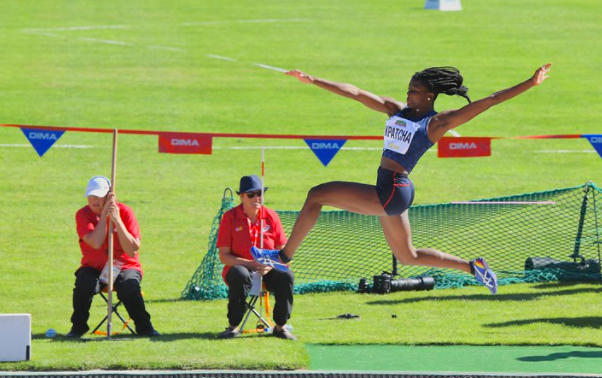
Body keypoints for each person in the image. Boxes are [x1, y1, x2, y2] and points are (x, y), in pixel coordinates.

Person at [252, 64, 553, 294]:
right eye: (408, 88)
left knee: (317, 194)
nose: (408, 94)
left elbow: (490, 100)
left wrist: (531, 82)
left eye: (414, 90)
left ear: (430, 95)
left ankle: (282, 255)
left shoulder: (436, 123)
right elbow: (355, 93)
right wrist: (313, 80)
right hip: (395, 191)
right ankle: (472, 266)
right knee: (407, 256)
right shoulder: (396, 110)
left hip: (392, 191)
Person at [68, 175, 159, 338]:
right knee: (83, 284)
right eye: (91, 196)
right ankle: (78, 328)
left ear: (109, 196)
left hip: (125, 266)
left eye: (99, 196)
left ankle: (145, 328)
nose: (95, 200)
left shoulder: (125, 212)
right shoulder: (83, 214)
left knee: (130, 287)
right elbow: (95, 242)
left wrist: (116, 220)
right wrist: (104, 216)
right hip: (94, 268)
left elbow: (132, 250)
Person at [216, 175, 296, 340]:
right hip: (240, 267)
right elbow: (224, 256)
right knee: (240, 274)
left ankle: (280, 327)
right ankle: (233, 326)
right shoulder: (230, 217)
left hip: (268, 268)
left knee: (286, 275)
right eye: (251, 194)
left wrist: (271, 264)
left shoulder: (271, 216)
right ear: (242, 196)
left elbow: (284, 251)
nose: (257, 198)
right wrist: (249, 264)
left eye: (260, 193)